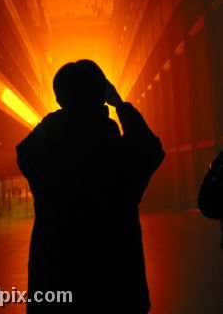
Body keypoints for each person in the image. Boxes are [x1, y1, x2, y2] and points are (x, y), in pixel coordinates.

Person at [16, 60, 165, 313]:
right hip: (115, 282)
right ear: (102, 95)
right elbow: (150, 149)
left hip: (57, 278)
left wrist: (56, 119)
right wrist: (120, 105)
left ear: (60, 98)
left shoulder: (44, 151)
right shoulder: (116, 152)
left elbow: (25, 150)